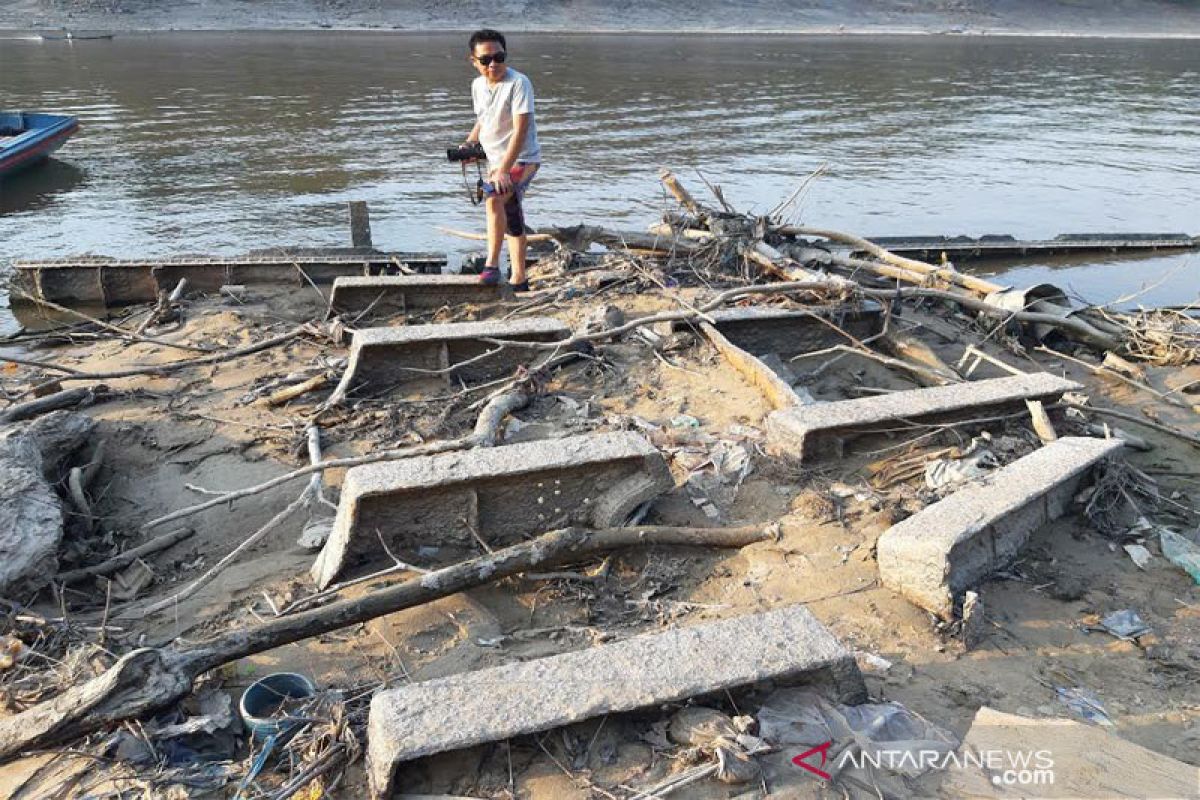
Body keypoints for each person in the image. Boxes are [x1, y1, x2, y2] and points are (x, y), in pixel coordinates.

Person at [461, 28, 541, 290]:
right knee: (511, 214)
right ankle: (519, 279)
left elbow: (521, 130)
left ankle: (492, 265)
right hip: (496, 162)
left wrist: (504, 169)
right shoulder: (477, 85)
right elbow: (483, 120)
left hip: (523, 160)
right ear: (474, 61)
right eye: (485, 60)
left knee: (494, 198)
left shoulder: (519, 83)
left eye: (499, 57)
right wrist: (471, 145)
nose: (493, 64)